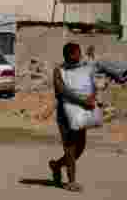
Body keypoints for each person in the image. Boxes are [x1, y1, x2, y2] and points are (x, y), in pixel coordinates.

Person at [48, 42, 124, 192]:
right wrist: (83, 100)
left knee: (80, 148)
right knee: (70, 147)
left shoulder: (83, 68)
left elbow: (92, 84)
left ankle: (56, 165)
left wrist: (94, 94)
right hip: (65, 114)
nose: (80, 55)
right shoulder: (59, 71)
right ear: (70, 55)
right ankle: (71, 181)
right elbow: (63, 91)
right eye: (77, 53)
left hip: (81, 112)